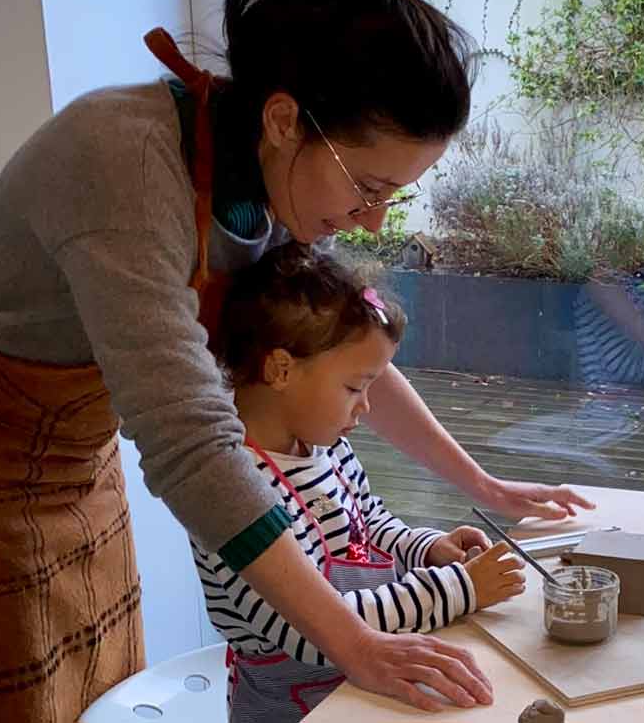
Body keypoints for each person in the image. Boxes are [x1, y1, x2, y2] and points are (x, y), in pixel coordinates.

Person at [0, 0, 591, 720]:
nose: (371, 221)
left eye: (392, 196)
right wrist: (356, 644)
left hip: (78, 455)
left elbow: (349, 348)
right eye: (367, 187)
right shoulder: (124, 167)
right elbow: (190, 443)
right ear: (282, 119)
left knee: (89, 691)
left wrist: (483, 487)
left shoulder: (266, 181)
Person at [200, 243, 525, 722]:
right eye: (355, 387)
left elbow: (369, 527)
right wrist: (460, 587)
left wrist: (428, 548)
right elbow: (314, 630)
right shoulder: (232, 493)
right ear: (281, 369)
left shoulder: (326, 448)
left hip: (366, 694)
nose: (366, 407)